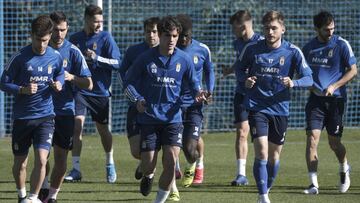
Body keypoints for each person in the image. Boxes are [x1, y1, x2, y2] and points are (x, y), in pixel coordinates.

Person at [124, 15, 205, 203]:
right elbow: (128, 83)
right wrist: (137, 100)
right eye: (167, 36)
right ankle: (148, 175)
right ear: (160, 35)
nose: (171, 40)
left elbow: (194, 85)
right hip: (149, 118)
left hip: (173, 120)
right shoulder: (145, 59)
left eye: (175, 36)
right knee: (148, 164)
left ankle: (159, 201)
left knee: (170, 162)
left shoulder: (184, 60)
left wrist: (199, 94)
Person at [238, 11, 313, 203]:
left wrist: (294, 83)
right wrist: (245, 80)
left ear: (283, 29)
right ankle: (263, 196)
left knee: (274, 156)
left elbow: (309, 78)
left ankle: (267, 186)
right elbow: (239, 69)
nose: (270, 32)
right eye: (267, 28)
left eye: (274, 28)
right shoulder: (252, 48)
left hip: (280, 109)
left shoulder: (292, 51)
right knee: (261, 150)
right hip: (257, 107)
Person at [0, 15, 64, 203]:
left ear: (50, 36)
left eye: (45, 40)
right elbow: (3, 83)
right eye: (38, 40)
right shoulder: (20, 57)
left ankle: (33, 197)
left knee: (42, 160)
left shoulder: (55, 56)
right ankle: (21, 196)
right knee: (21, 164)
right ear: (31, 36)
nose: (42, 44)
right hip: (22, 118)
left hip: (46, 116)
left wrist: (59, 84)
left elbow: (60, 73)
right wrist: (22, 89)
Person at [39, 11, 93, 203]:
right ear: (49, 30)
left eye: (63, 30)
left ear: (67, 29)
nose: (59, 34)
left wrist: (72, 78)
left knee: (61, 160)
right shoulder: (39, 49)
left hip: (64, 113)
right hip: (42, 112)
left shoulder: (72, 51)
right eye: (56, 30)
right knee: (42, 157)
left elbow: (89, 83)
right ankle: (43, 187)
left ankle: (52, 196)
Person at [64, 4, 121, 183]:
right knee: (77, 127)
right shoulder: (75, 39)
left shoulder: (106, 38)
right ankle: (76, 169)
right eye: (96, 21)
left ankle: (109, 162)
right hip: (80, 90)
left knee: (103, 130)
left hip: (100, 92)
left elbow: (118, 63)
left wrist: (97, 58)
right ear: (87, 20)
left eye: (101, 21)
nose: (98, 25)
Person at [302, 11, 357, 195]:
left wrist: (334, 86)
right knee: (312, 140)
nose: (330, 32)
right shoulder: (308, 48)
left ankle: (344, 167)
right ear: (316, 28)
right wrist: (310, 86)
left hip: (336, 101)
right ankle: (313, 184)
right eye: (326, 30)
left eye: (332, 28)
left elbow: (353, 71)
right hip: (316, 101)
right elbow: (302, 74)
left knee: (334, 143)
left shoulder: (342, 44)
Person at [223, 10, 263, 186]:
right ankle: (241, 175)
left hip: (260, 96)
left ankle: (264, 169)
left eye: (234, 27)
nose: (232, 31)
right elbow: (241, 63)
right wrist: (230, 70)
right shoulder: (237, 43)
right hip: (241, 93)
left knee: (261, 136)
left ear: (244, 26)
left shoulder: (262, 43)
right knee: (241, 132)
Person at [119, 16, 160, 180]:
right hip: (136, 106)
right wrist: (132, 96)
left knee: (155, 149)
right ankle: (144, 164)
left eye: (155, 31)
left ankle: (149, 173)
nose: (151, 35)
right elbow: (122, 73)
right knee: (137, 151)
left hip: (157, 109)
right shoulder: (134, 51)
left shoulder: (168, 52)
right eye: (148, 31)